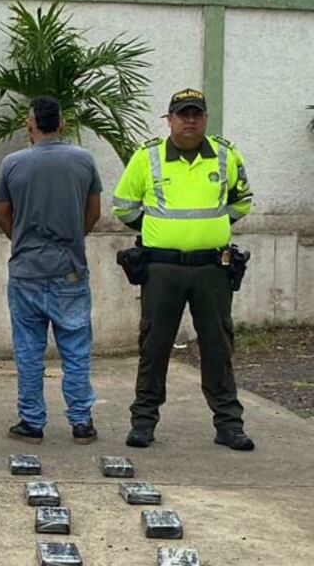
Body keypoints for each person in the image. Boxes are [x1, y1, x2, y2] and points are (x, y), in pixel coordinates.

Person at [112, 88, 255, 451]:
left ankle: (229, 424)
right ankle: (143, 422)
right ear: (169, 119)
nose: (189, 120)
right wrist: (158, 232)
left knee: (218, 345)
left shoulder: (226, 154)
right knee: (154, 346)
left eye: (196, 114)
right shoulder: (148, 157)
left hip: (212, 268)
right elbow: (124, 206)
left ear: (205, 118)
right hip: (162, 269)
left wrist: (214, 228)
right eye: (182, 114)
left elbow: (242, 200)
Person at [0, 96, 102, 445]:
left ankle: (32, 420)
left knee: (28, 350)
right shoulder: (84, 161)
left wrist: (22, 241)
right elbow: (94, 212)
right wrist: (73, 239)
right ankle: (81, 421)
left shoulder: (12, 164)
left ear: (30, 125)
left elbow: (2, 216)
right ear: (62, 124)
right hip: (70, 269)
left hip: (26, 271)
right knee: (75, 348)